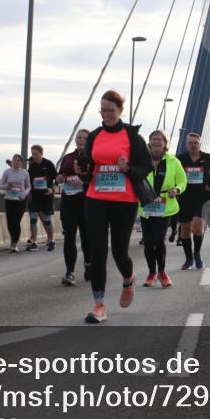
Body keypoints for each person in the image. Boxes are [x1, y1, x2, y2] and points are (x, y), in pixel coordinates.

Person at [75, 90, 151, 323]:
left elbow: (145, 167)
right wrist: (83, 171)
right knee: (97, 252)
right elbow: (88, 168)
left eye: (111, 110)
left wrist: (128, 168)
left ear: (120, 111)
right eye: (103, 110)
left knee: (119, 252)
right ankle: (99, 305)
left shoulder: (132, 137)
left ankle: (128, 279)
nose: (106, 114)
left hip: (124, 201)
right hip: (96, 198)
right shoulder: (95, 135)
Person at [140, 130, 187, 287]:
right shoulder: (142, 159)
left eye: (160, 139)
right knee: (148, 242)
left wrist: (177, 190)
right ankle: (151, 273)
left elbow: (182, 181)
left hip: (165, 206)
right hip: (146, 206)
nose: (156, 141)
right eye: (153, 138)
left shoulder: (173, 161)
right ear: (149, 142)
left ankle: (162, 272)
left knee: (159, 240)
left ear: (165, 143)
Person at [176, 132, 210, 269]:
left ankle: (197, 254)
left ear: (200, 144)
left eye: (196, 143)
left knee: (197, 226)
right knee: (185, 230)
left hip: (202, 197)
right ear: (186, 144)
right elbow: (173, 173)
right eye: (190, 143)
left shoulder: (207, 158)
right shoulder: (180, 159)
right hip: (184, 196)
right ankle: (188, 258)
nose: (193, 145)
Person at [57, 128, 92, 284]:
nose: (81, 140)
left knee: (86, 238)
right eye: (79, 137)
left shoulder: (93, 157)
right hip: (68, 201)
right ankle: (70, 272)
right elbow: (61, 175)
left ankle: (88, 264)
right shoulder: (68, 157)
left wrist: (84, 183)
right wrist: (59, 178)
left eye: (85, 138)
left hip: (86, 201)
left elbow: (97, 179)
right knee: (69, 237)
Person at [26, 144, 57, 251]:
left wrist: (52, 189)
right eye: (32, 154)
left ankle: (52, 240)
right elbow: (28, 180)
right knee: (33, 219)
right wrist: (29, 192)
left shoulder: (48, 164)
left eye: (35, 154)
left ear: (41, 153)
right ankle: (34, 242)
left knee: (47, 220)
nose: (34, 156)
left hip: (46, 197)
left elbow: (57, 179)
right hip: (34, 197)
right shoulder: (31, 165)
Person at [1, 154, 31, 253]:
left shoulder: (24, 173)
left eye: (18, 160)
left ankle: (14, 243)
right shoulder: (7, 172)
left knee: (16, 221)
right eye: (15, 160)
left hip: (20, 200)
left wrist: (24, 194)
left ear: (21, 163)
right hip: (9, 199)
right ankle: (13, 240)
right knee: (10, 222)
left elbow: (28, 187)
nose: (16, 162)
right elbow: (1, 186)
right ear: (12, 161)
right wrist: (7, 186)